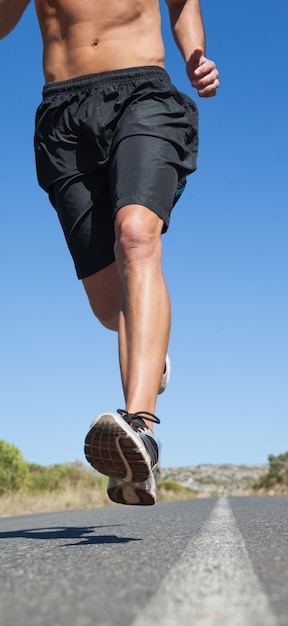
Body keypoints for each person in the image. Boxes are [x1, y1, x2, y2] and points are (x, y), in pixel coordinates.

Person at [0, 0, 219, 505]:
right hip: (62, 114)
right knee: (110, 308)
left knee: (137, 236)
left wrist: (194, 55)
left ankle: (139, 426)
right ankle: (152, 356)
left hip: (143, 92)